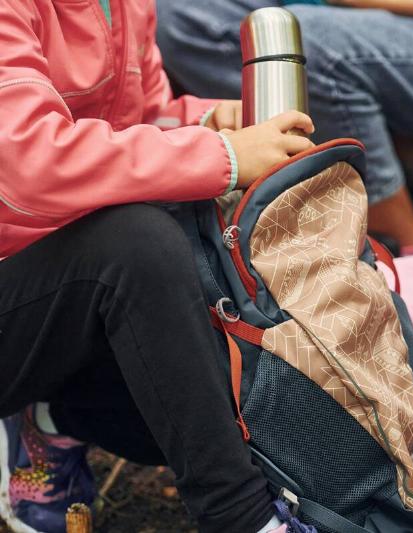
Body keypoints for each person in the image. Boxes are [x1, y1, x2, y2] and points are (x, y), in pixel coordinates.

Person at [0, 1, 318, 532]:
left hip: (63, 279)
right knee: (138, 243)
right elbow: (27, 162)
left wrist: (205, 121)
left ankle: (58, 417)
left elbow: (138, 120)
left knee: (206, 400)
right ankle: (246, 518)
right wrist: (224, 153)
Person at [156, 0, 413, 255]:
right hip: (346, 29)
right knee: (181, 14)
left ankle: (409, 245)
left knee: (305, 35)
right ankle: (291, 216)